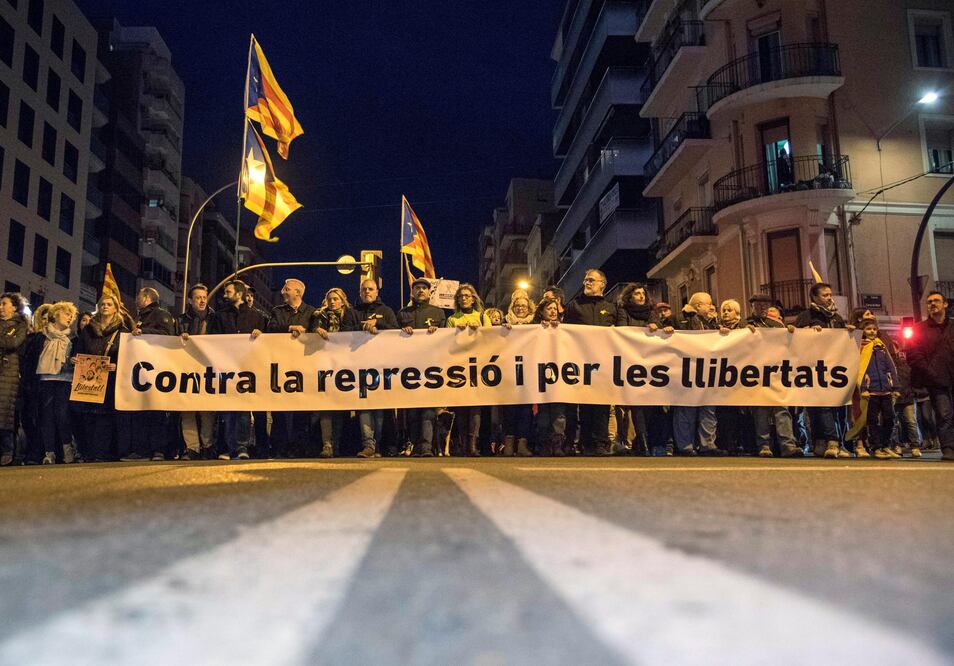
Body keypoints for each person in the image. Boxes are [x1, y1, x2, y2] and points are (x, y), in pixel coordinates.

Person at [72, 293, 134, 462]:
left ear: (116, 308)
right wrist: (76, 359)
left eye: (109, 304)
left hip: (112, 379)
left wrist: (117, 366)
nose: (105, 306)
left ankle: (103, 453)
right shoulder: (88, 330)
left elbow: (130, 357)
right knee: (89, 416)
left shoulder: (123, 332)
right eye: (103, 304)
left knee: (106, 417)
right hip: (89, 380)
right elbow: (80, 349)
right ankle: (90, 452)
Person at [795, 282, 853, 458]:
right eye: (825, 295)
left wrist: (847, 333)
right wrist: (807, 332)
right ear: (814, 297)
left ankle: (833, 442)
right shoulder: (806, 316)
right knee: (821, 407)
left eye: (830, 295)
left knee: (839, 408)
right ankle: (831, 440)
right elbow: (796, 339)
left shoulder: (836, 318)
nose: (829, 298)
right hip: (814, 369)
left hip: (836, 368)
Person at [210, 280, 266, 460]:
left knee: (242, 409)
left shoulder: (257, 317)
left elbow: (271, 339)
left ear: (239, 294)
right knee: (227, 411)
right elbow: (212, 341)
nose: (224, 295)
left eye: (228, 292)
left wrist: (261, 335)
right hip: (226, 369)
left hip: (248, 369)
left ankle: (242, 447)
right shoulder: (219, 316)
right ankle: (228, 447)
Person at [343, 278, 399, 458]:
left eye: (371, 289)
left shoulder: (387, 311)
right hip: (360, 367)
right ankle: (368, 445)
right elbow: (344, 333)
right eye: (364, 289)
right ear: (360, 292)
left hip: (382, 368)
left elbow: (396, 332)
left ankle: (379, 444)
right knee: (365, 406)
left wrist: (379, 325)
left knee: (380, 408)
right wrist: (362, 328)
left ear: (377, 292)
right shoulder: (352, 312)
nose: (367, 292)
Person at [563, 269, 616, 456]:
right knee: (584, 404)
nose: (587, 283)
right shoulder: (574, 306)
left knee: (602, 404)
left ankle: (601, 443)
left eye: (591, 280)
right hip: (580, 362)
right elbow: (564, 332)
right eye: (585, 280)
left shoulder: (611, 307)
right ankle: (586, 443)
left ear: (602, 284)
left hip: (603, 362)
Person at [298, 287, 352, 458]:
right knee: (325, 408)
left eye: (336, 299)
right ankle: (327, 444)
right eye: (329, 299)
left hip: (344, 368)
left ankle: (337, 443)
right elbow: (308, 331)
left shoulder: (349, 315)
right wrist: (316, 330)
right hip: (323, 367)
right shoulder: (318, 316)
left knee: (340, 410)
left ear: (342, 300)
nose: (332, 302)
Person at [126, 288, 178, 461]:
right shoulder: (141, 316)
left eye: (138, 296)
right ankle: (142, 450)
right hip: (142, 369)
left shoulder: (160, 314)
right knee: (140, 411)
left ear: (147, 298)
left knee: (156, 412)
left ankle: (158, 450)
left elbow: (168, 335)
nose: (135, 299)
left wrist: (144, 333)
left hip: (157, 369)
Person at [746, 294, 801, 458]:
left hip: (776, 375)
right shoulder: (745, 325)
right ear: (753, 307)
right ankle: (764, 445)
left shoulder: (776, 325)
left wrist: (790, 332)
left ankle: (788, 445)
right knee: (761, 411)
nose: (762, 308)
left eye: (765, 305)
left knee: (781, 410)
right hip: (755, 375)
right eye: (759, 305)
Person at [671, 292, 724, 456]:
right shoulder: (678, 319)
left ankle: (707, 444)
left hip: (707, 371)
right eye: (708, 304)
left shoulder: (712, 323)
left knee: (708, 409)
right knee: (686, 409)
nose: (711, 307)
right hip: (686, 370)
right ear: (699, 305)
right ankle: (685, 446)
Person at [268, 278, 316, 458]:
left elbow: (316, 330)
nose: (282, 292)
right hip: (281, 366)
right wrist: (290, 327)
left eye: (286, 289)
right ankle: (279, 446)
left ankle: (298, 447)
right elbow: (271, 328)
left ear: (298, 293)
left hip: (303, 368)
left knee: (301, 410)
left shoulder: (311, 312)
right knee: (279, 409)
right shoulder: (277, 312)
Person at [399, 278, 446, 457]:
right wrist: (401, 332)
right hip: (409, 369)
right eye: (417, 288)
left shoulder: (438, 313)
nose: (420, 291)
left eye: (424, 288)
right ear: (412, 292)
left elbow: (445, 338)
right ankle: (416, 444)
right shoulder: (403, 313)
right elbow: (391, 337)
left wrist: (438, 333)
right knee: (412, 411)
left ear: (429, 292)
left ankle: (426, 447)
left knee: (428, 410)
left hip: (431, 369)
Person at [906, 291, 954, 461]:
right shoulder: (919, 329)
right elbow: (913, 355)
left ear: (945, 304)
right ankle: (948, 448)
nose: (932, 304)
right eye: (929, 302)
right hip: (936, 380)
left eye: (936, 301)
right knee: (944, 414)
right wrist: (930, 373)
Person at [446, 283, 491, 456]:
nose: (464, 298)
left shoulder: (481, 317)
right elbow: (446, 342)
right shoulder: (452, 319)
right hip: (459, 367)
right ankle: (463, 444)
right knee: (461, 407)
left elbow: (490, 337)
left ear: (473, 299)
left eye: (467, 295)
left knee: (475, 407)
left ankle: (472, 444)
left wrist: (479, 331)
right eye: (461, 296)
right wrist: (456, 333)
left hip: (478, 366)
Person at [31, 302, 78, 464]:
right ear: (56, 315)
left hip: (65, 380)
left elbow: (80, 356)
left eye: (71, 315)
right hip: (45, 379)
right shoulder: (42, 335)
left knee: (62, 415)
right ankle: (49, 452)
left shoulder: (73, 338)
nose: (69, 317)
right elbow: (32, 358)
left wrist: (74, 360)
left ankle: (67, 449)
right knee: (47, 416)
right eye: (66, 314)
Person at [614, 283, 659, 455]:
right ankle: (642, 442)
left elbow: (660, 333)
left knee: (648, 406)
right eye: (637, 294)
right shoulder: (623, 312)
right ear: (629, 297)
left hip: (650, 365)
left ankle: (642, 442)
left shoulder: (652, 314)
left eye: (643, 294)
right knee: (636, 404)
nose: (641, 296)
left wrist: (661, 329)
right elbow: (623, 332)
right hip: (629, 363)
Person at [851, 318, 900, 459]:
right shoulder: (860, 347)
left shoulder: (881, 346)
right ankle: (876, 447)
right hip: (870, 390)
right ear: (863, 331)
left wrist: (895, 386)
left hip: (885, 389)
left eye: (874, 329)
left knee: (889, 418)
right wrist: (864, 388)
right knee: (872, 420)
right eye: (868, 329)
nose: (872, 331)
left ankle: (886, 445)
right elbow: (860, 369)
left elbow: (891, 366)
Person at [178, 284, 216, 460]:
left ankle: (207, 446)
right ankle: (192, 448)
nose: (202, 301)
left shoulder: (216, 319)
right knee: (188, 410)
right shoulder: (181, 321)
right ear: (190, 300)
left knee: (207, 410)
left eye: (204, 297)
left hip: (209, 370)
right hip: (187, 370)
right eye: (198, 298)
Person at [501, 289, 535, 456]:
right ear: (512, 307)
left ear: (529, 309)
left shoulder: (535, 324)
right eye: (517, 306)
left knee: (526, 409)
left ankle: (522, 443)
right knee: (510, 408)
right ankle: (508, 443)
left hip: (529, 371)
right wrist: (502, 330)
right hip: (509, 370)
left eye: (524, 306)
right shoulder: (503, 323)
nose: (521, 308)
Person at [534, 297, 567, 456]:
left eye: (555, 308)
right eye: (549, 309)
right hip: (541, 374)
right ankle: (544, 444)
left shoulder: (565, 328)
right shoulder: (534, 328)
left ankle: (557, 444)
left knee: (559, 412)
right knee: (543, 413)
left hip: (560, 375)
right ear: (541, 311)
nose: (553, 311)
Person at [0, 294, 29, 466]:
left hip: (8, 373)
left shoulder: (20, 326)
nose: (1, 307)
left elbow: (13, 343)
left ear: (15, 307)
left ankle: (7, 450)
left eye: (4, 304)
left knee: (5, 413)